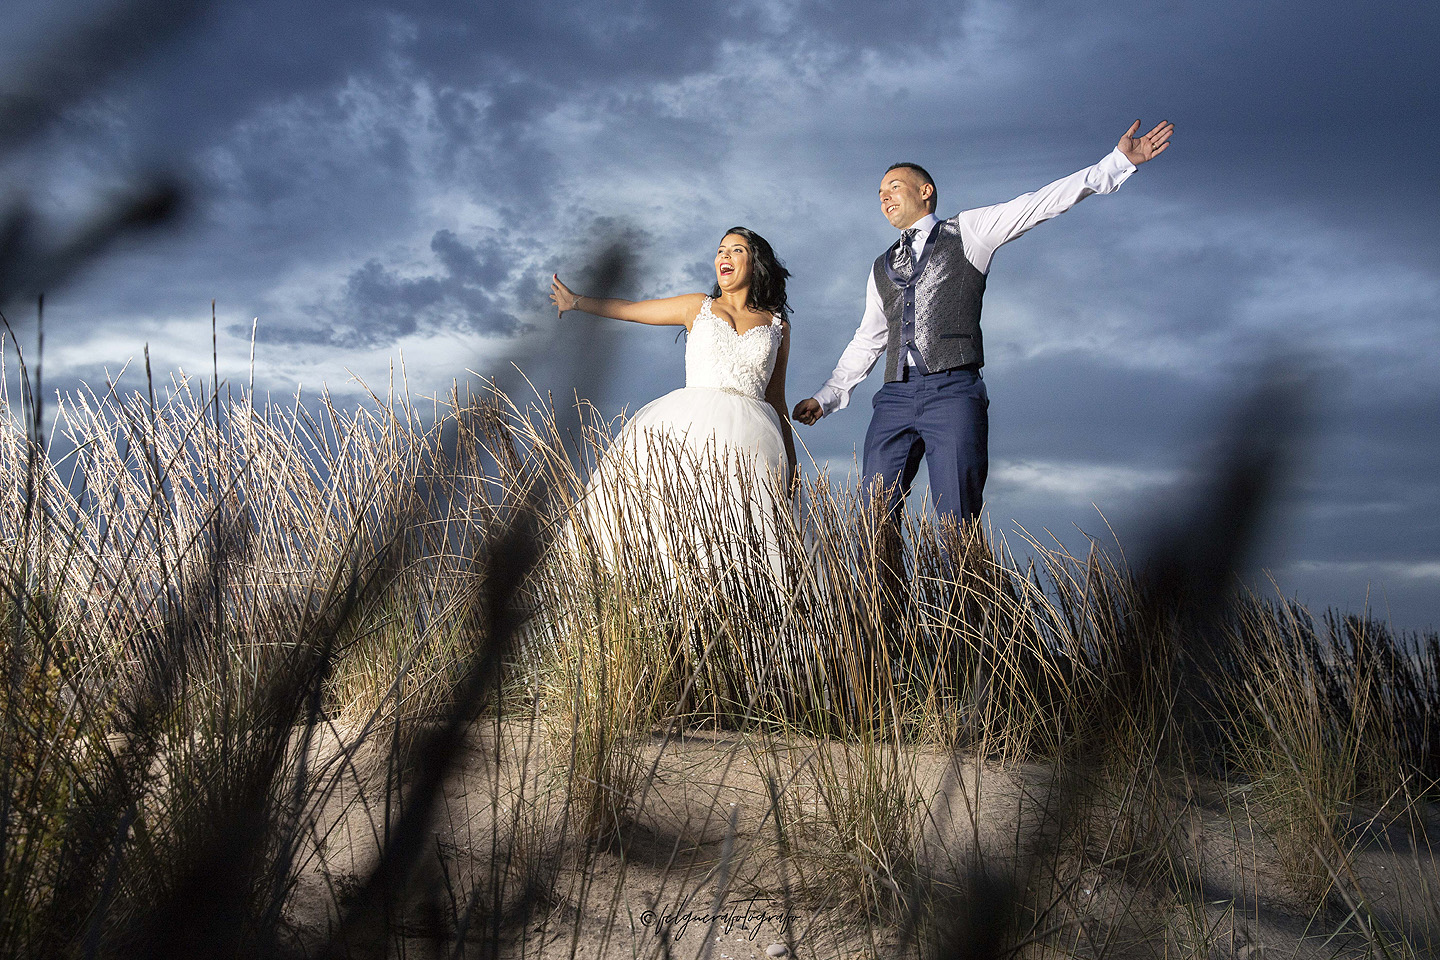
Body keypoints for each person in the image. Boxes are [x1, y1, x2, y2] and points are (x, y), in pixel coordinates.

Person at [792, 120, 1175, 526]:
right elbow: (868, 339)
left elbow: (1038, 204)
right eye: (880, 194)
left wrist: (1115, 164)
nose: (885, 197)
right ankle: (882, 571)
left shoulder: (969, 231)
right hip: (893, 398)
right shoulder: (879, 267)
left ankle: (963, 570)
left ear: (926, 191)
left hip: (953, 391)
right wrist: (827, 396)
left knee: (957, 518)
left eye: (894, 187)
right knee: (874, 518)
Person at [551, 226, 796, 575]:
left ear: (756, 263)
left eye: (736, 250)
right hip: (689, 428)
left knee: (746, 533)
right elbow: (630, 309)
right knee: (673, 524)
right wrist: (576, 301)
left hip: (752, 442)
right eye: (720, 250)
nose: (724, 256)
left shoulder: (777, 326)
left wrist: (791, 460)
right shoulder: (697, 307)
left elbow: (777, 398)